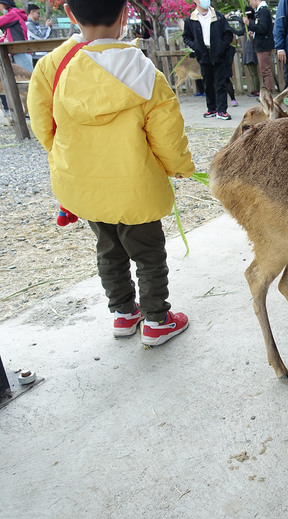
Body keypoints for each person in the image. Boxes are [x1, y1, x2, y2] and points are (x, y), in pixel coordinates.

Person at [27, 0, 195, 345]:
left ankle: (122, 313)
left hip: (84, 184)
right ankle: (157, 320)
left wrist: (66, 161)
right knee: (148, 254)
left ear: (71, 15)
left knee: (108, 248)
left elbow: (44, 126)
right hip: (135, 186)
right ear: (124, 15)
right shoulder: (145, 72)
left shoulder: (52, 66)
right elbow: (166, 134)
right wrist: (180, 168)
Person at [183, 0, 234, 120]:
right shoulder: (191, 19)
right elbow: (186, 37)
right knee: (207, 83)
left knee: (221, 82)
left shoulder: (218, 16)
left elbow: (228, 34)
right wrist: (195, 46)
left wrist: (222, 46)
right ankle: (211, 108)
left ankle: (222, 110)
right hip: (203, 54)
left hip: (218, 54)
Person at [243, 0, 274, 93]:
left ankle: (269, 92)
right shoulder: (260, 10)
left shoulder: (263, 10)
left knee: (265, 70)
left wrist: (249, 24)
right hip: (261, 43)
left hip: (263, 45)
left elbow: (263, 28)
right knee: (264, 70)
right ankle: (267, 91)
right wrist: (254, 33)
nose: (250, 3)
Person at [231, 10, 261, 97]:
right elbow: (239, 27)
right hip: (248, 51)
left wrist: (231, 19)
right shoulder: (248, 26)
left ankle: (257, 90)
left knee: (254, 73)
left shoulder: (251, 25)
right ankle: (255, 89)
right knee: (252, 73)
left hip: (250, 51)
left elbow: (239, 29)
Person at [0, 0, 33, 73]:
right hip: (19, 51)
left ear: (5, 4)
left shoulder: (13, 14)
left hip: (21, 51)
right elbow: (5, 37)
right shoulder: (12, 17)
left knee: (28, 77)